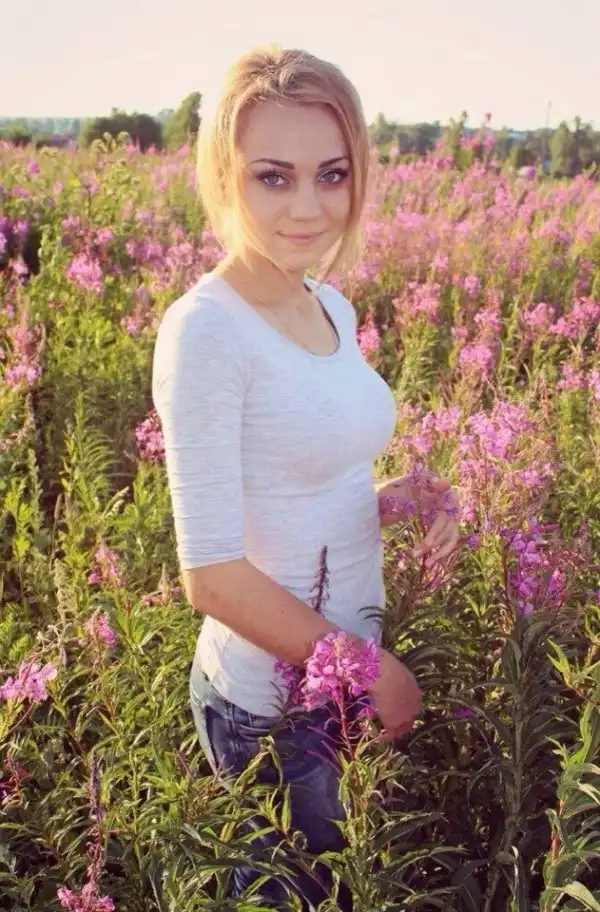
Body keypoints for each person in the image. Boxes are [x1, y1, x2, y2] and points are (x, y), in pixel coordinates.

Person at [151, 44, 460, 910]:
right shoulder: (205, 331)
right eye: (273, 177)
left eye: (332, 173)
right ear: (225, 176)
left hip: (338, 682)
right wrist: (370, 672)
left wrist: (393, 499)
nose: (308, 207)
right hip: (273, 710)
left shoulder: (327, 302)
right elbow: (211, 576)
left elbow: (301, 486)